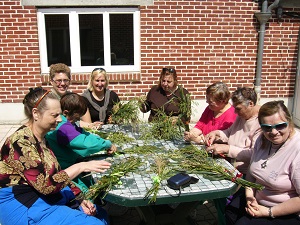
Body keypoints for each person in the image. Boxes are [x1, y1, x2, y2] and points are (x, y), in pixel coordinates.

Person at [0, 87, 111, 225]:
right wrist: (80, 166)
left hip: (42, 195)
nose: (60, 119)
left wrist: (79, 198)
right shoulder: (20, 142)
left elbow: (56, 174)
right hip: (22, 203)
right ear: (36, 113)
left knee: (100, 214)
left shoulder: (42, 139)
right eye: (54, 115)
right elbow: (46, 185)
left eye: (60, 114)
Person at [234, 100, 300, 225]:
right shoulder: (262, 139)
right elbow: (251, 174)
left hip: (285, 211)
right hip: (257, 201)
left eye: (280, 126)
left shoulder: (297, 148)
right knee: (230, 211)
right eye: (267, 127)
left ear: (289, 123)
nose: (273, 132)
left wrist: (269, 212)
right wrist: (249, 196)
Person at [204, 87, 261, 225]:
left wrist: (227, 148)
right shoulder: (242, 116)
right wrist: (217, 133)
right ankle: (221, 218)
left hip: (247, 175)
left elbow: (255, 154)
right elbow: (230, 132)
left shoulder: (260, 123)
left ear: (251, 104)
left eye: (239, 108)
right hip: (231, 169)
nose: (235, 112)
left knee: (230, 207)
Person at [46, 92, 117, 193]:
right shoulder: (63, 128)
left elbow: (82, 133)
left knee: (89, 181)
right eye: (76, 117)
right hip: (63, 169)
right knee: (84, 192)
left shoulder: (67, 122)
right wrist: (107, 144)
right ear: (66, 112)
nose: (77, 120)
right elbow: (85, 143)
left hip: (69, 163)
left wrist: (100, 139)